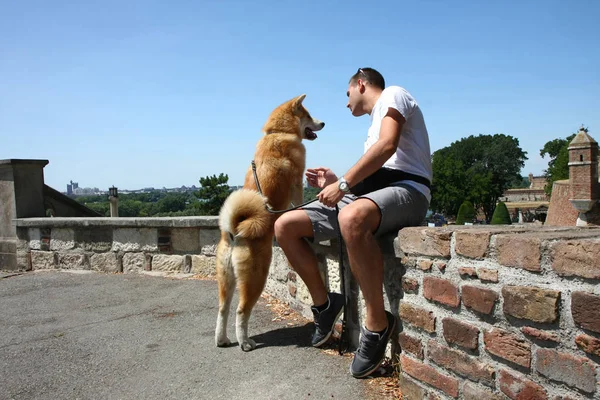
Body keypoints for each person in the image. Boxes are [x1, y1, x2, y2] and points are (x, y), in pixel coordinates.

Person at [273, 67, 432, 378]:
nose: (346, 104)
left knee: (351, 216)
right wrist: (337, 182)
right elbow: (375, 171)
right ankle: (325, 305)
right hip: (375, 195)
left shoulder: (394, 94)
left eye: (347, 95)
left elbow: (388, 147)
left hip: (409, 192)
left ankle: (377, 324)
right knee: (285, 226)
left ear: (361, 84)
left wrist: (343, 185)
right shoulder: (373, 124)